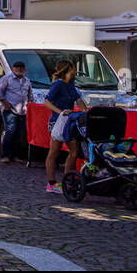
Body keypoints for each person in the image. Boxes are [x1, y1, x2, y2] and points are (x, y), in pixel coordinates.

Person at [44, 60, 85, 194]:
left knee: (73, 153)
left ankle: (68, 181)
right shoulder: (58, 84)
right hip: (57, 122)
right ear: (68, 70)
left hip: (69, 121)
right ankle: (51, 184)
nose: (75, 72)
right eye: (73, 69)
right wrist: (60, 112)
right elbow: (46, 102)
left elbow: (79, 100)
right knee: (54, 152)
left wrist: (86, 112)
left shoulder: (71, 85)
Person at [0, 60, 32, 164]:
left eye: (21, 67)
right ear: (13, 68)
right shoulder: (7, 79)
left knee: (20, 134)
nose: (19, 69)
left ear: (24, 69)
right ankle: (5, 155)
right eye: (17, 67)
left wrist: (29, 105)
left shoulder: (26, 80)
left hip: (23, 111)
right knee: (10, 132)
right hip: (10, 110)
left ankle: (14, 156)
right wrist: (5, 103)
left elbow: (30, 95)